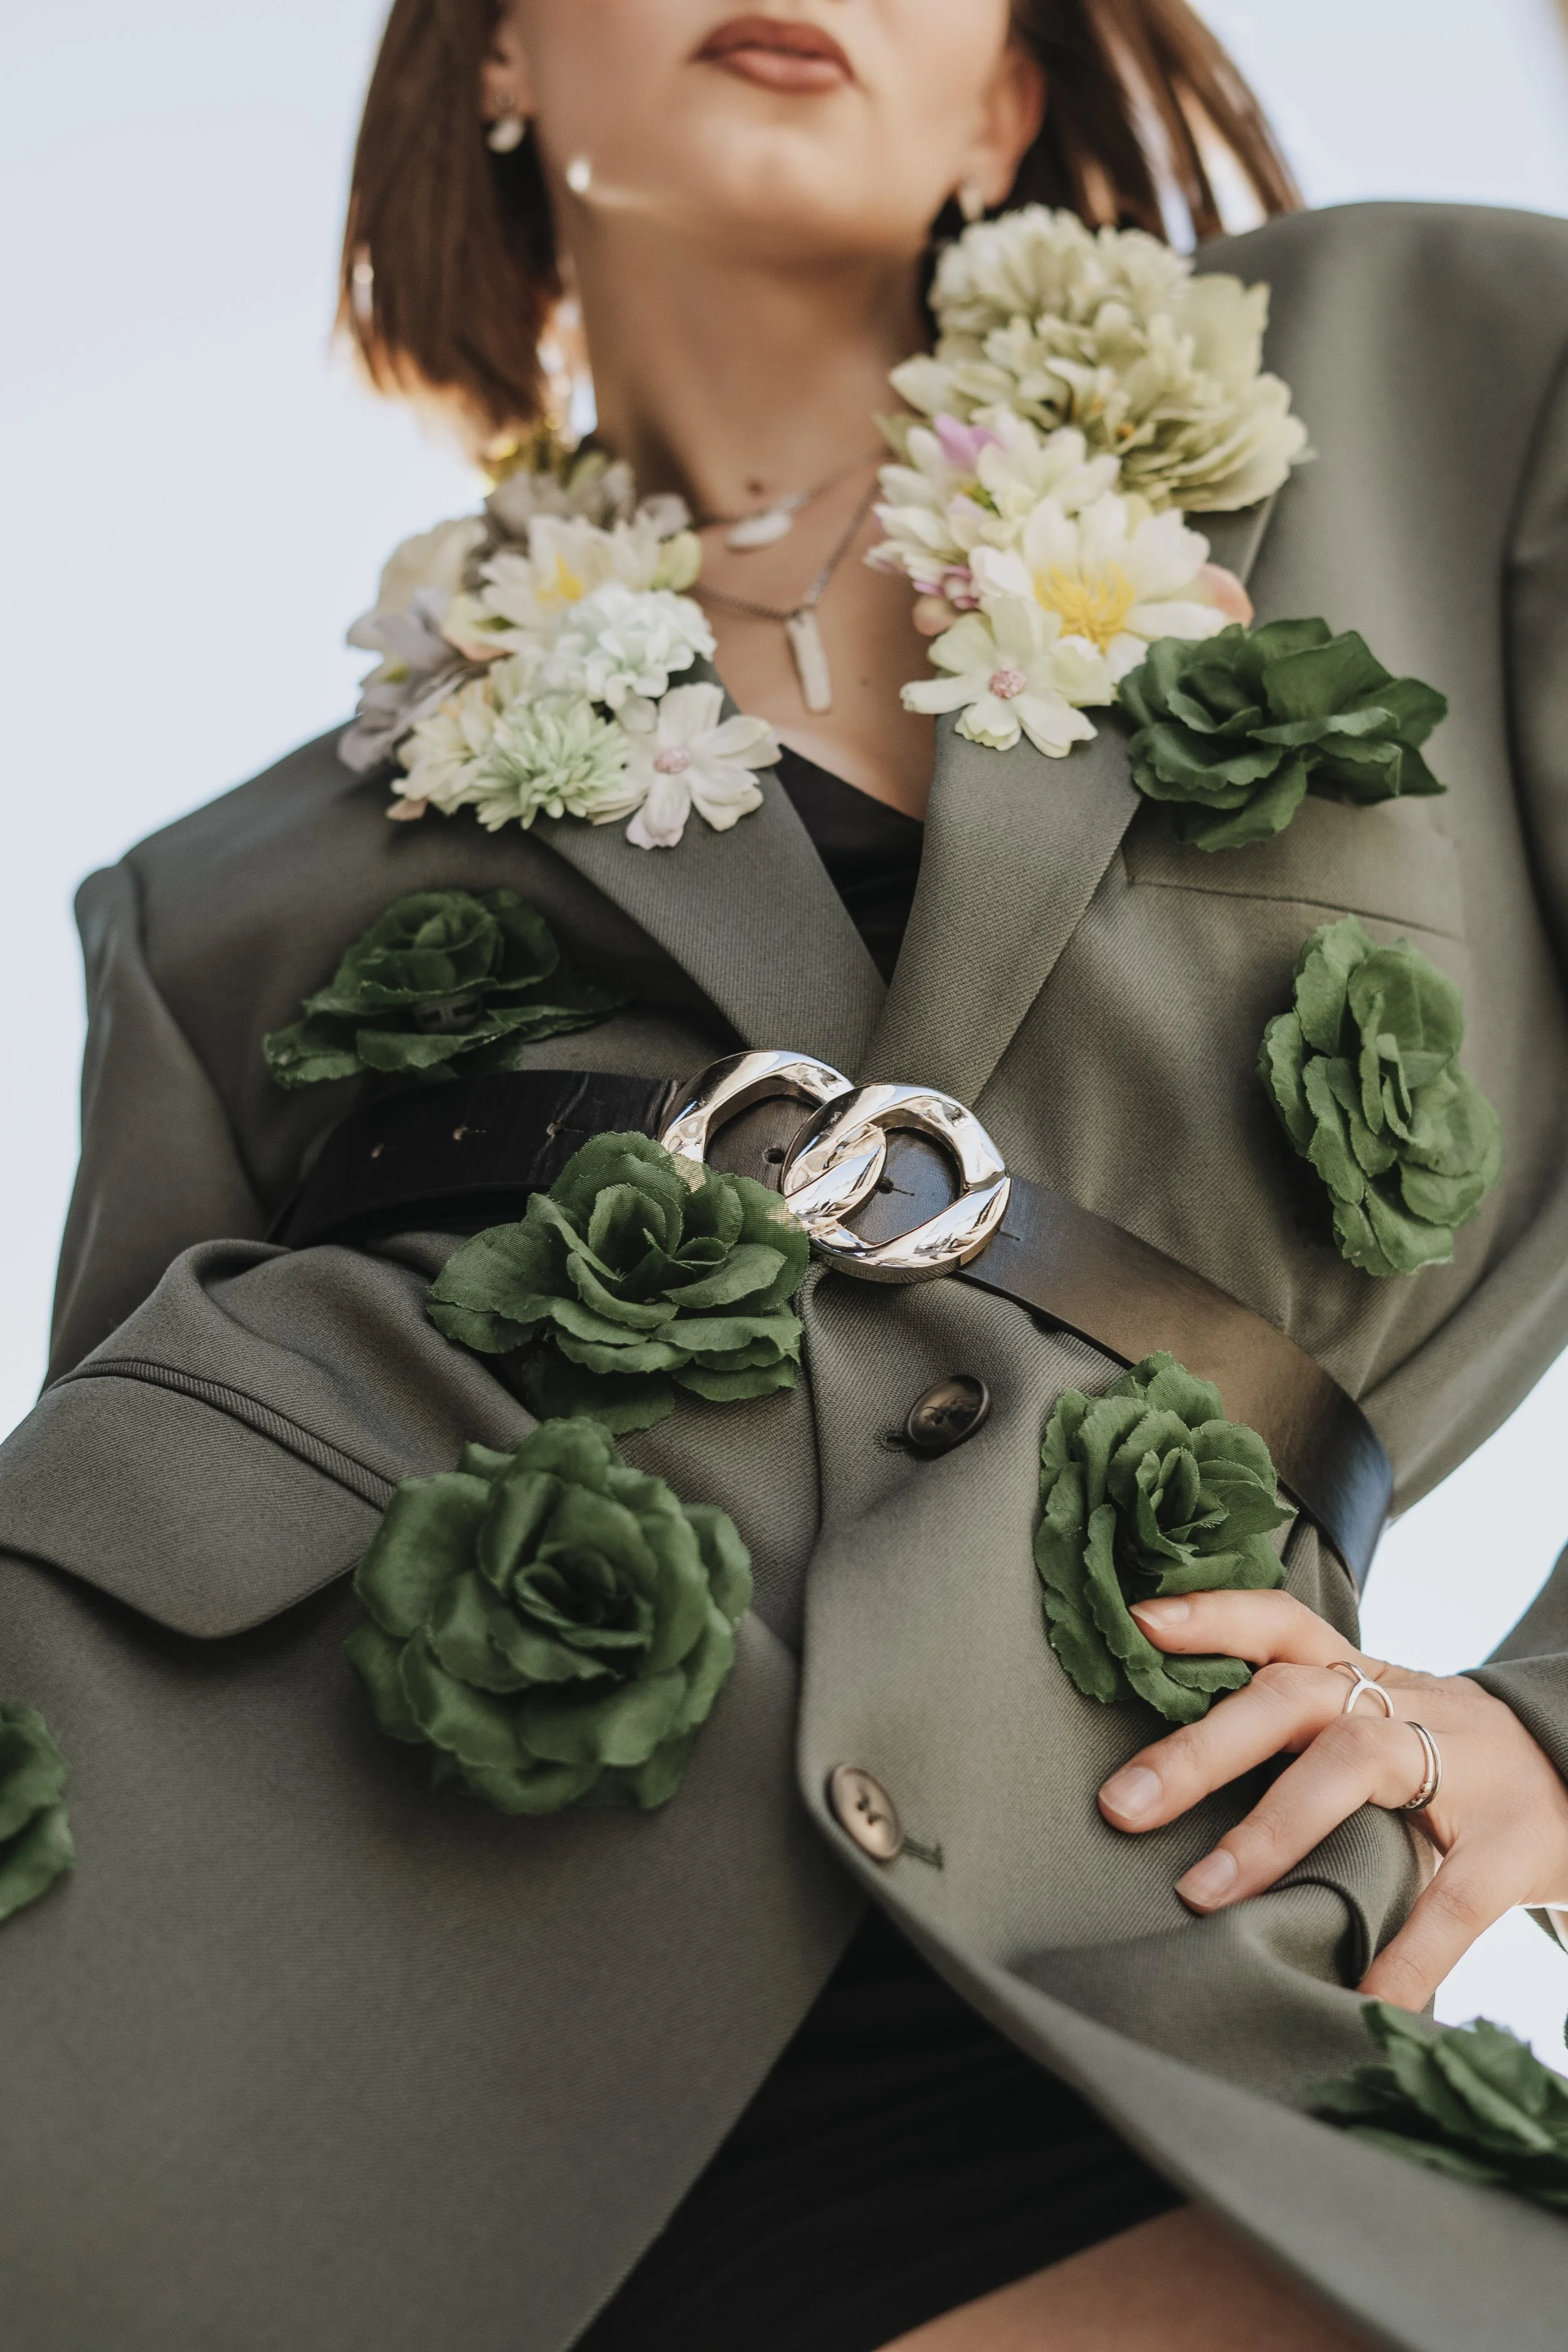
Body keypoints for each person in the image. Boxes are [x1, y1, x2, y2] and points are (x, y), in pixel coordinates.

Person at [4, 3, 1568, 2348]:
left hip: (1112, 1888)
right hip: (244, 1956)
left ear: (1008, 99)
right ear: (505, 57)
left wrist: (1547, 1713)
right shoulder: (225, 882)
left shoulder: (1447, 385)